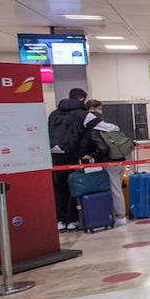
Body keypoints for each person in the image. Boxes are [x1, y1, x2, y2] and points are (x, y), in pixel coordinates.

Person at [48, 87, 93, 231]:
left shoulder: (53, 114)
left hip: (56, 156)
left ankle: (60, 221)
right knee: (76, 187)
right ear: (82, 99)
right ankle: (73, 220)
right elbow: (96, 131)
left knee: (60, 189)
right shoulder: (83, 114)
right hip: (75, 156)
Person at [83, 100, 128, 225]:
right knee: (117, 187)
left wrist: (91, 155)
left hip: (109, 161)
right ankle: (120, 214)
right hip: (120, 159)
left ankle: (120, 216)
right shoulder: (109, 126)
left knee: (115, 189)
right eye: (100, 108)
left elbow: (102, 147)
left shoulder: (91, 127)